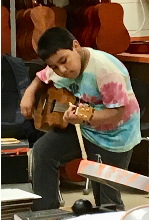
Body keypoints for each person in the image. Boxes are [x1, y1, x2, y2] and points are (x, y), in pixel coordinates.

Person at [20, 27, 141, 211]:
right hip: (85, 128)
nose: (62, 70)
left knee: (107, 203)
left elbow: (118, 113)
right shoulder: (60, 66)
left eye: (63, 61)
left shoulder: (106, 70)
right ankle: (45, 213)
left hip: (115, 136)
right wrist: (29, 92)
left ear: (76, 46)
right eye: (54, 66)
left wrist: (84, 117)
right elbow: (43, 75)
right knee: (43, 152)